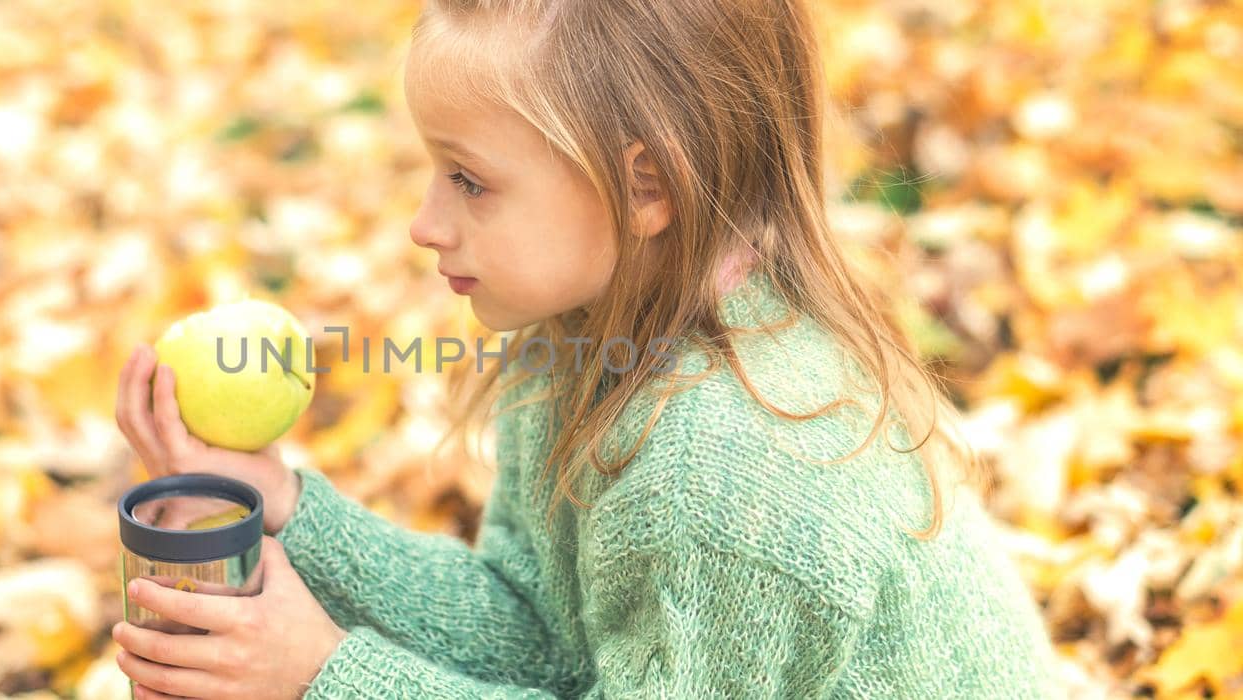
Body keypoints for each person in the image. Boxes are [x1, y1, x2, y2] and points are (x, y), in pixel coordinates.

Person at [110, 0, 1062, 697]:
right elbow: (540, 634)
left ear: (647, 186)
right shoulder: (581, 341)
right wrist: (289, 506)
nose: (423, 223)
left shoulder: (723, 473)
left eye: (469, 181)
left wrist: (327, 675)